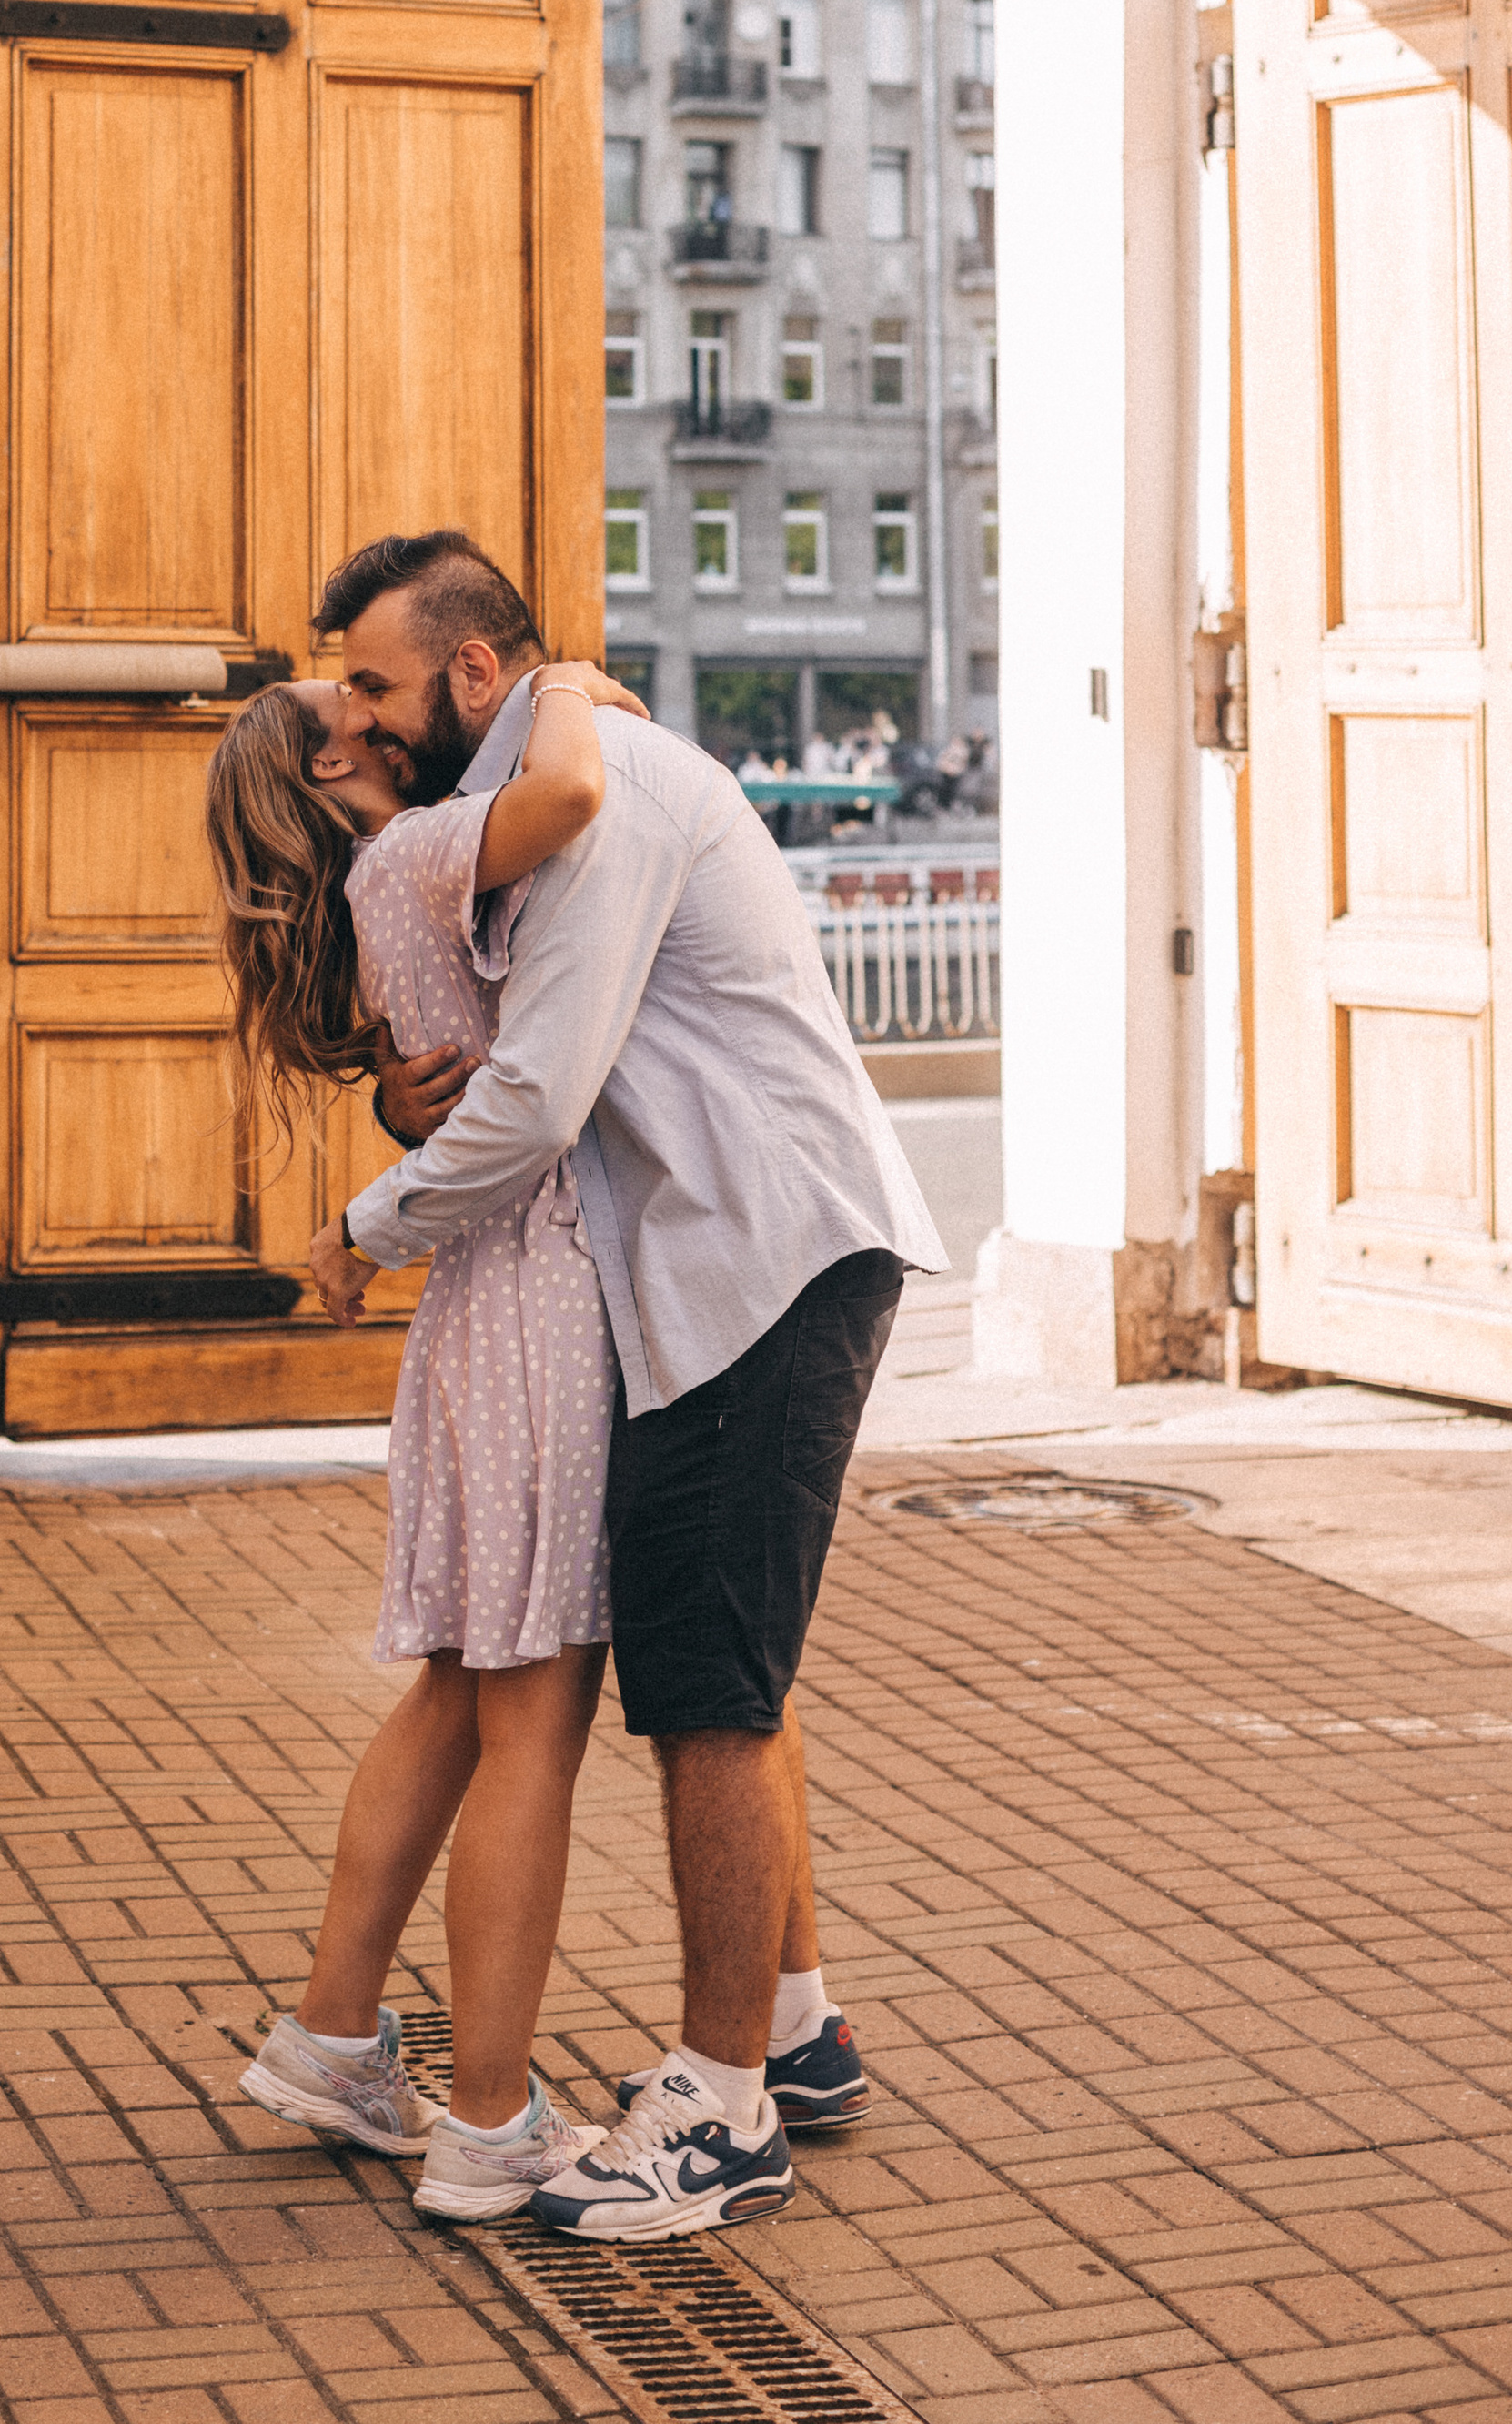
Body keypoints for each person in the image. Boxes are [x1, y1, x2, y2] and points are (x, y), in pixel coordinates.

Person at [319, 529, 946, 2245]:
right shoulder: (528, 802)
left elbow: (537, 1096)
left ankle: (720, 2107)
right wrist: (405, 1100)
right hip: (707, 1277)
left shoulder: (607, 801)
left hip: (765, 1264)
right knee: (728, 1658)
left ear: (467, 671)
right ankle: (798, 2031)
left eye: (378, 686)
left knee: (706, 1698)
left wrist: (362, 1227)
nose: (362, 725)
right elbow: (491, 1077)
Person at [205, 655, 645, 2221]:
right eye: (350, 706)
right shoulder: (410, 853)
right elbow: (575, 791)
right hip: (537, 1300)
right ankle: (491, 2120)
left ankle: (333, 2036)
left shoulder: (385, 881)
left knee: (458, 1693)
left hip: (476, 1311)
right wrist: (574, 681)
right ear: (330, 776)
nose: (380, 714)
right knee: (532, 1722)